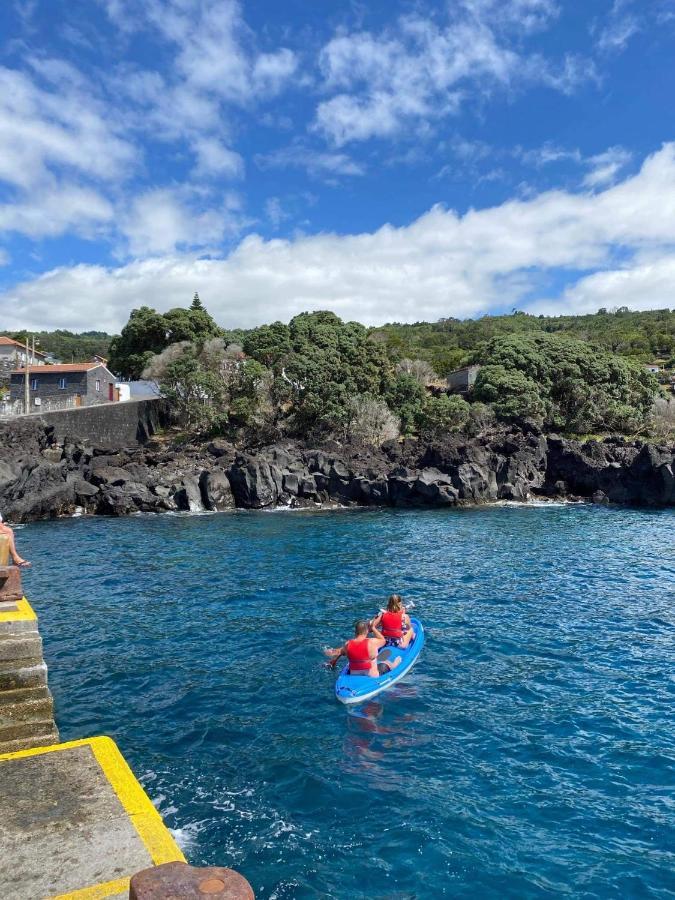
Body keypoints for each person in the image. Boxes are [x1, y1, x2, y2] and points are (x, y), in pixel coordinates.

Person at [325, 620, 401, 678]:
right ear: (367, 631)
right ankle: (394, 665)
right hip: (371, 675)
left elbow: (340, 652)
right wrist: (373, 628)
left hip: (354, 674)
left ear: (355, 632)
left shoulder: (348, 644)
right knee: (386, 662)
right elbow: (383, 640)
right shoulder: (372, 642)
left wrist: (333, 661)